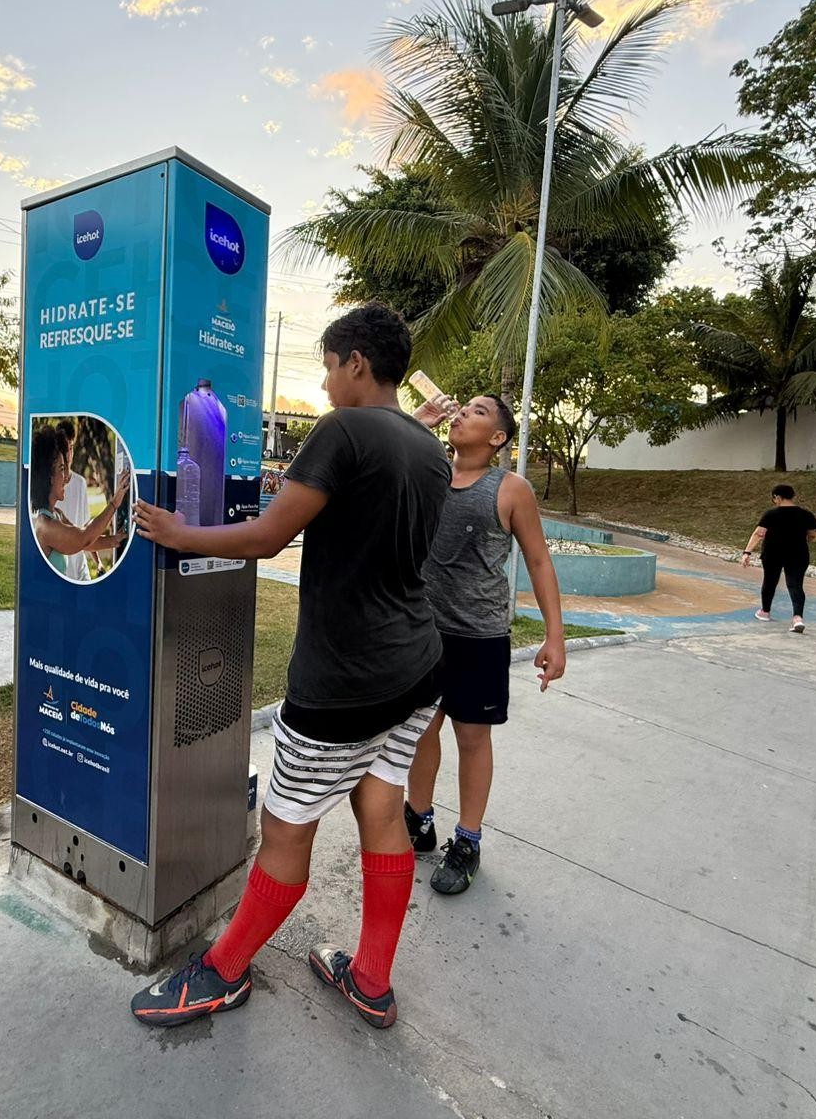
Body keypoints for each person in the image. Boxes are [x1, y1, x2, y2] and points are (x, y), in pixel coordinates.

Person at [130, 302, 449, 1031]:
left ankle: (222, 973)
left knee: (285, 832)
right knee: (382, 809)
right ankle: (371, 981)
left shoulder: (343, 430)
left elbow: (270, 536)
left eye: (329, 368)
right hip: (417, 670)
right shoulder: (428, 447)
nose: (327, 384)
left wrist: (181, 532)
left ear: (356, 362)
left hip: (344, 682)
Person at [403, 394, 567, 896]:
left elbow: (538, 560)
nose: (462, 414)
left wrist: (555, 636)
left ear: (498, 438)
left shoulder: (510, 488)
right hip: (422, 629)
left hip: (479, 635)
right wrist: (417, 424)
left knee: (472, 739)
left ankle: (468, 840)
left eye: (477, 411)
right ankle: (418, 819)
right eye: (463, 408)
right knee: (420, 729)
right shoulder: (428, 469)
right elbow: (382, 460)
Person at [28, 424, 128, 577]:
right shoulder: (46, 526)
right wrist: (115, 503)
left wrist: (114, 540)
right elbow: (84, 538)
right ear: (49, 477)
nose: (65, 477)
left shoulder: (56, 514)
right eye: (61, 469)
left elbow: (84, 539)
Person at [741, 483, 816, 634]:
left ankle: (765, 612)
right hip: (798, 554)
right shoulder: (805, 514)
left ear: (777, 497)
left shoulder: (771, 514)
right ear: (792, 496)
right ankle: (798, 618)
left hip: (773, 553)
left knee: (770, 581)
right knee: (795, 585)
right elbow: (812, 534)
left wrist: (747, 552)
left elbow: (758, 534)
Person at [55, 419, 93, 581]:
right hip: (60, 568)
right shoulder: (51, 486)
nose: (68, 454)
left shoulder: (80, 483)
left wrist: (98, 561)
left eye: (71, 448)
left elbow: (85, 528)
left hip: (80, 567)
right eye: (65, 448)